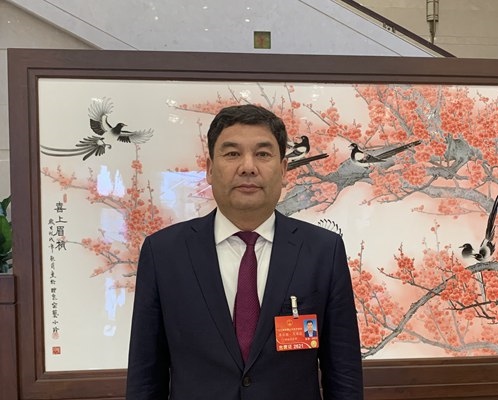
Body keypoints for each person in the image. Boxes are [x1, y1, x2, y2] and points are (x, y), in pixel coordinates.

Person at [125, 104, 364, 400]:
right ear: (210, 169)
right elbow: (146, 376)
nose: (248, 167)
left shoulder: (322, 251)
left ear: (284, 169)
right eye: (232, 154)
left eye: (263, 154)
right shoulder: (163, 253)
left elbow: (344, 374)